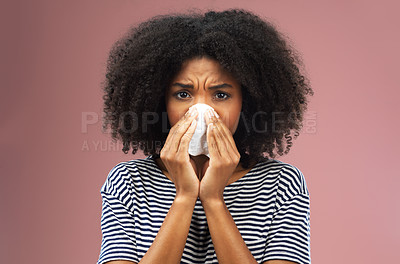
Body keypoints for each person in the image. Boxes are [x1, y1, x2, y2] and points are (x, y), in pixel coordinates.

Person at [97, 8, 314, 264]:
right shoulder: (127, 182)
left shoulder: (282, 185)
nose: (201, 110)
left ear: (247, 102)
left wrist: (213, 200)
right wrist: (184, 196)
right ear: (160, 103)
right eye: (183, 94)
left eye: (221, 95)